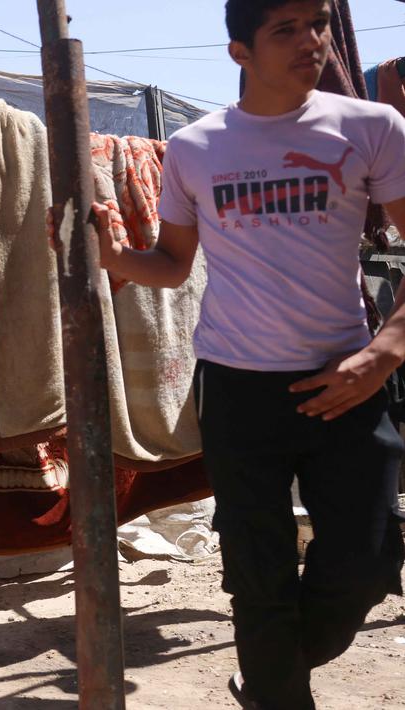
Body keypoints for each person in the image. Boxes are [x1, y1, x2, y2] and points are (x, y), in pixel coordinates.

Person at [93, 1, 405, 706]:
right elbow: (172, 264)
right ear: (240, 51)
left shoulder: (372, 127)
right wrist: (113, 256)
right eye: (284, 30)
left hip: (347, 379)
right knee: (258, 570)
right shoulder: (196, 147)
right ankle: (275, 693)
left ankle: (265, 677)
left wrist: (384, 352)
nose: (312, 41)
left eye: (317, 22)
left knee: (367, 561)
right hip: (237, 387)